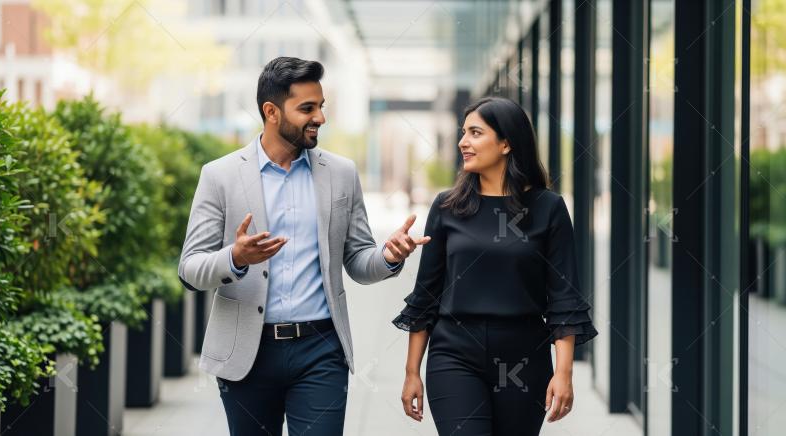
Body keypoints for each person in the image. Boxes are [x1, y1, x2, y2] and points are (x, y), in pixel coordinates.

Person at [178, 56, 428, 436]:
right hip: (248, 353)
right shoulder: (220, 176)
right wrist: (236, 258)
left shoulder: (341, 174)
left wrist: (387, 257)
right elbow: (190, 269)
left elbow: (358, 260)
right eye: (307, 108)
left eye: (321, 107)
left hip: (321, 351)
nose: (320, 118)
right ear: (271, 112)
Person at [394, 97, 598, 436]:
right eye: (463, 133)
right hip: (454, 354)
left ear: (506, 143)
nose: (463, 142)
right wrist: (411, 370)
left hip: (523, 358)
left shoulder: (549, 209)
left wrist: (564, 374)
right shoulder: (447, 207)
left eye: (475, 133)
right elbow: (426, 294)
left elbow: (564, 298)